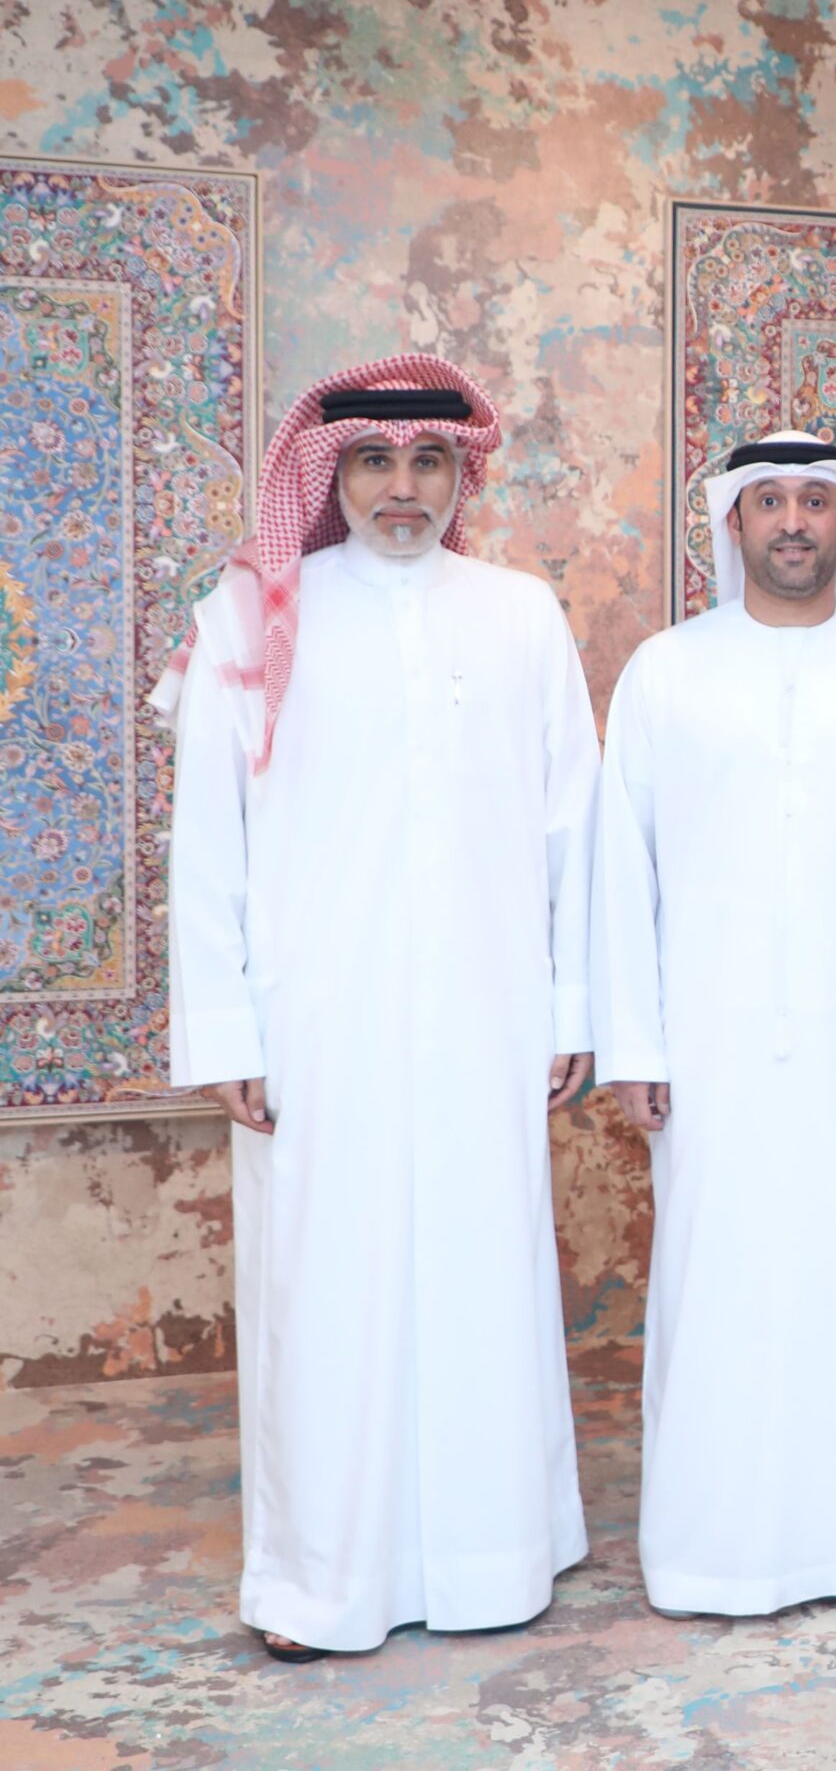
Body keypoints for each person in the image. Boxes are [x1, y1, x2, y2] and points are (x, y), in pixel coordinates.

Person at [158, 354, 597, 1662]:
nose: (402, 488)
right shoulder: (249, 618)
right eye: (373, 462)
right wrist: (226, 1028)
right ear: (330, 473)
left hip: (487, 1014)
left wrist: (572, 1006)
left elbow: (571, 827)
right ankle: (319, 1583)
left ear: (462, 473)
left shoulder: (521, 615)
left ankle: (493, 1561)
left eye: (427, 462)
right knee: (327, 1291)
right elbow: (208, 841)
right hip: (315, 1025)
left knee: (479, 1278)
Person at [589, 431, 836, 1617]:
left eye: (817, 501)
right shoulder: (666, 670)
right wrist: (634, 1042)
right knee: (717, 1286)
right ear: (735, 523)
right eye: (771, 502)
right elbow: (622, 869)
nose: (795, 522)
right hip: (708, 1046)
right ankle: (706, 1555)